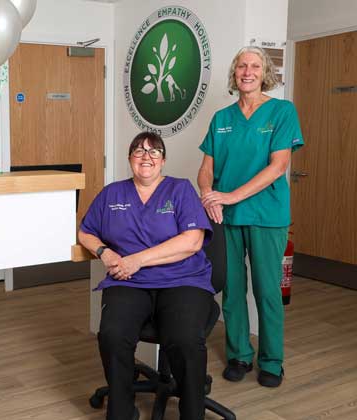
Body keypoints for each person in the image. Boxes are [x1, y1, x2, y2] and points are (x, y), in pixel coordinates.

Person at [79, 132, 214, 420]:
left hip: (182, 280)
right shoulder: (112, 193)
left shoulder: (181, 190)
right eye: (139, 151)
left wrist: (137, 260)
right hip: (129, 282)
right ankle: (122, 411)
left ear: (163, 161)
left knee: (185, 338)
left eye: (154, 152)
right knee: (112, 334)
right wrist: (105, 252)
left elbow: (192, 241)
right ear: (129, 159)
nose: (146, 157)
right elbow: (85, 232)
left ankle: (192, 414)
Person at [197, 46, 303, 388]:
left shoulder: (282, 112)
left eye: (255, 66)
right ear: (234, 72)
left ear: (264, 72)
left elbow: (278, 166)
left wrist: (229, 196)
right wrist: (208, 196)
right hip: (226, 218)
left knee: (267, 289)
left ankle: (272, 360)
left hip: (267, 215)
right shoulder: (221, 119)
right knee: (231, 288)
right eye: (241, 65)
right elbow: (206, 169)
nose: (247, 71)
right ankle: (239, 355)